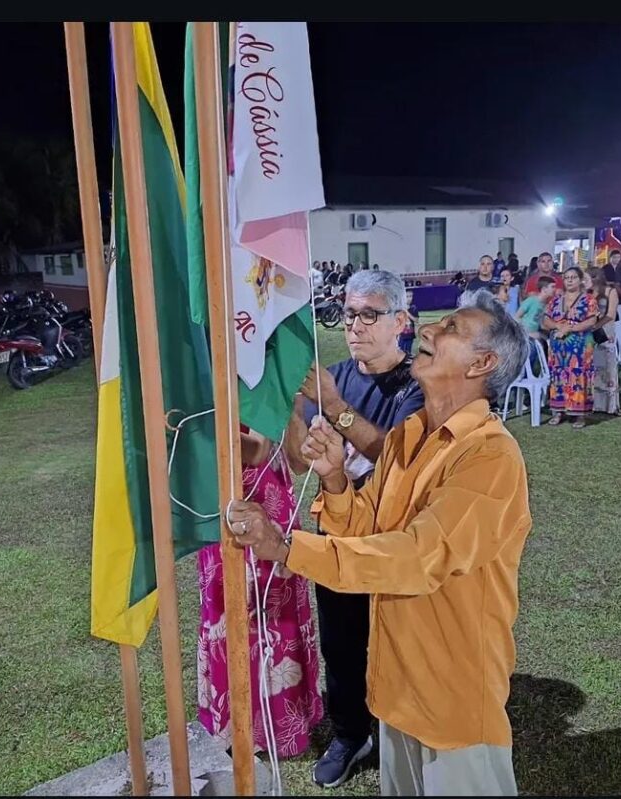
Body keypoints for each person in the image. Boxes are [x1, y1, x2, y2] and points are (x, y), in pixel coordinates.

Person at [229, 291, 532, 797]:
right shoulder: (409, 434)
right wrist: (334, 479)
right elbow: (367, 525)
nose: (428, 330)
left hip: (451, 692)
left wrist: (286, 549)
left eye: (450, 329)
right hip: (397, 685)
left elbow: (416, 556)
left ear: (482, 364)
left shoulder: (490, 456)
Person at [284, 269, 425, 789]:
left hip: (395, 540)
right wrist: (289, 405)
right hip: (338, 535)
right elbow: (299, 461)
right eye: (348, 314)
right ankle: (350, 734)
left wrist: (338, 410)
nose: (355, 325)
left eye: (370, 314)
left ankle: (401, 729)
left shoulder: (418, 383)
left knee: (400, 641)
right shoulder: (335, 376)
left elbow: (399, 458)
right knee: (341, 645)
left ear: (400, 321)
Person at [196, 428, 323, 757]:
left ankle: (283, 724)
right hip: (226, 512)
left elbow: (282, 457)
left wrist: (291, 401)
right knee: (231, 619)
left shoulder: (260, 398)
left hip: (270, 511)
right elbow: (255, 450)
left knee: (278, 622)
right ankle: (236, 724)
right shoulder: (210, 397)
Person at [542, 266, 599, 429]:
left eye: (573, 277)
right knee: (558, 376)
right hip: (558, 346)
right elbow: (546, 320)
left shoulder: (588, 300)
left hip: (580, 345)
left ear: (580, 280)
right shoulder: (555, 300)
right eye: (567, 278)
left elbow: (591, 321)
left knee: (579, 376)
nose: (570, 280)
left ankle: (580, 414)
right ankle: (558, 411)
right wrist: (559, 327)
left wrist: (570, 328)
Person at [586, 268, 621, 416]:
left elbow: (611, 314)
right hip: (588, 332)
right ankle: (593, 403)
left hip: (605, 331)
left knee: (608, 368)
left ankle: (611, 405)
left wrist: (595, 326)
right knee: (592, 368)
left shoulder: (610, 292)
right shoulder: (585, 293)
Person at [515, 275, 555, 370]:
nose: (554, 289)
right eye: (552, 287)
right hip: (525, 337)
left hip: (535, 337)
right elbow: (516, 317)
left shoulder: (545, 305)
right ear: (544, 289)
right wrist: (527, 332)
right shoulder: (531, 300)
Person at [399, 290, 419, 354]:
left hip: (410, 333)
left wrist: (407, 312)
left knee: (408, 350)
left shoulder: (414, 308)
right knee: (400, 350)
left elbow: (416, 320)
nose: (409, 298)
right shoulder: (399, 308)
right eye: (407, 296)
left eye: (411, 296)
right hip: (401, 333)